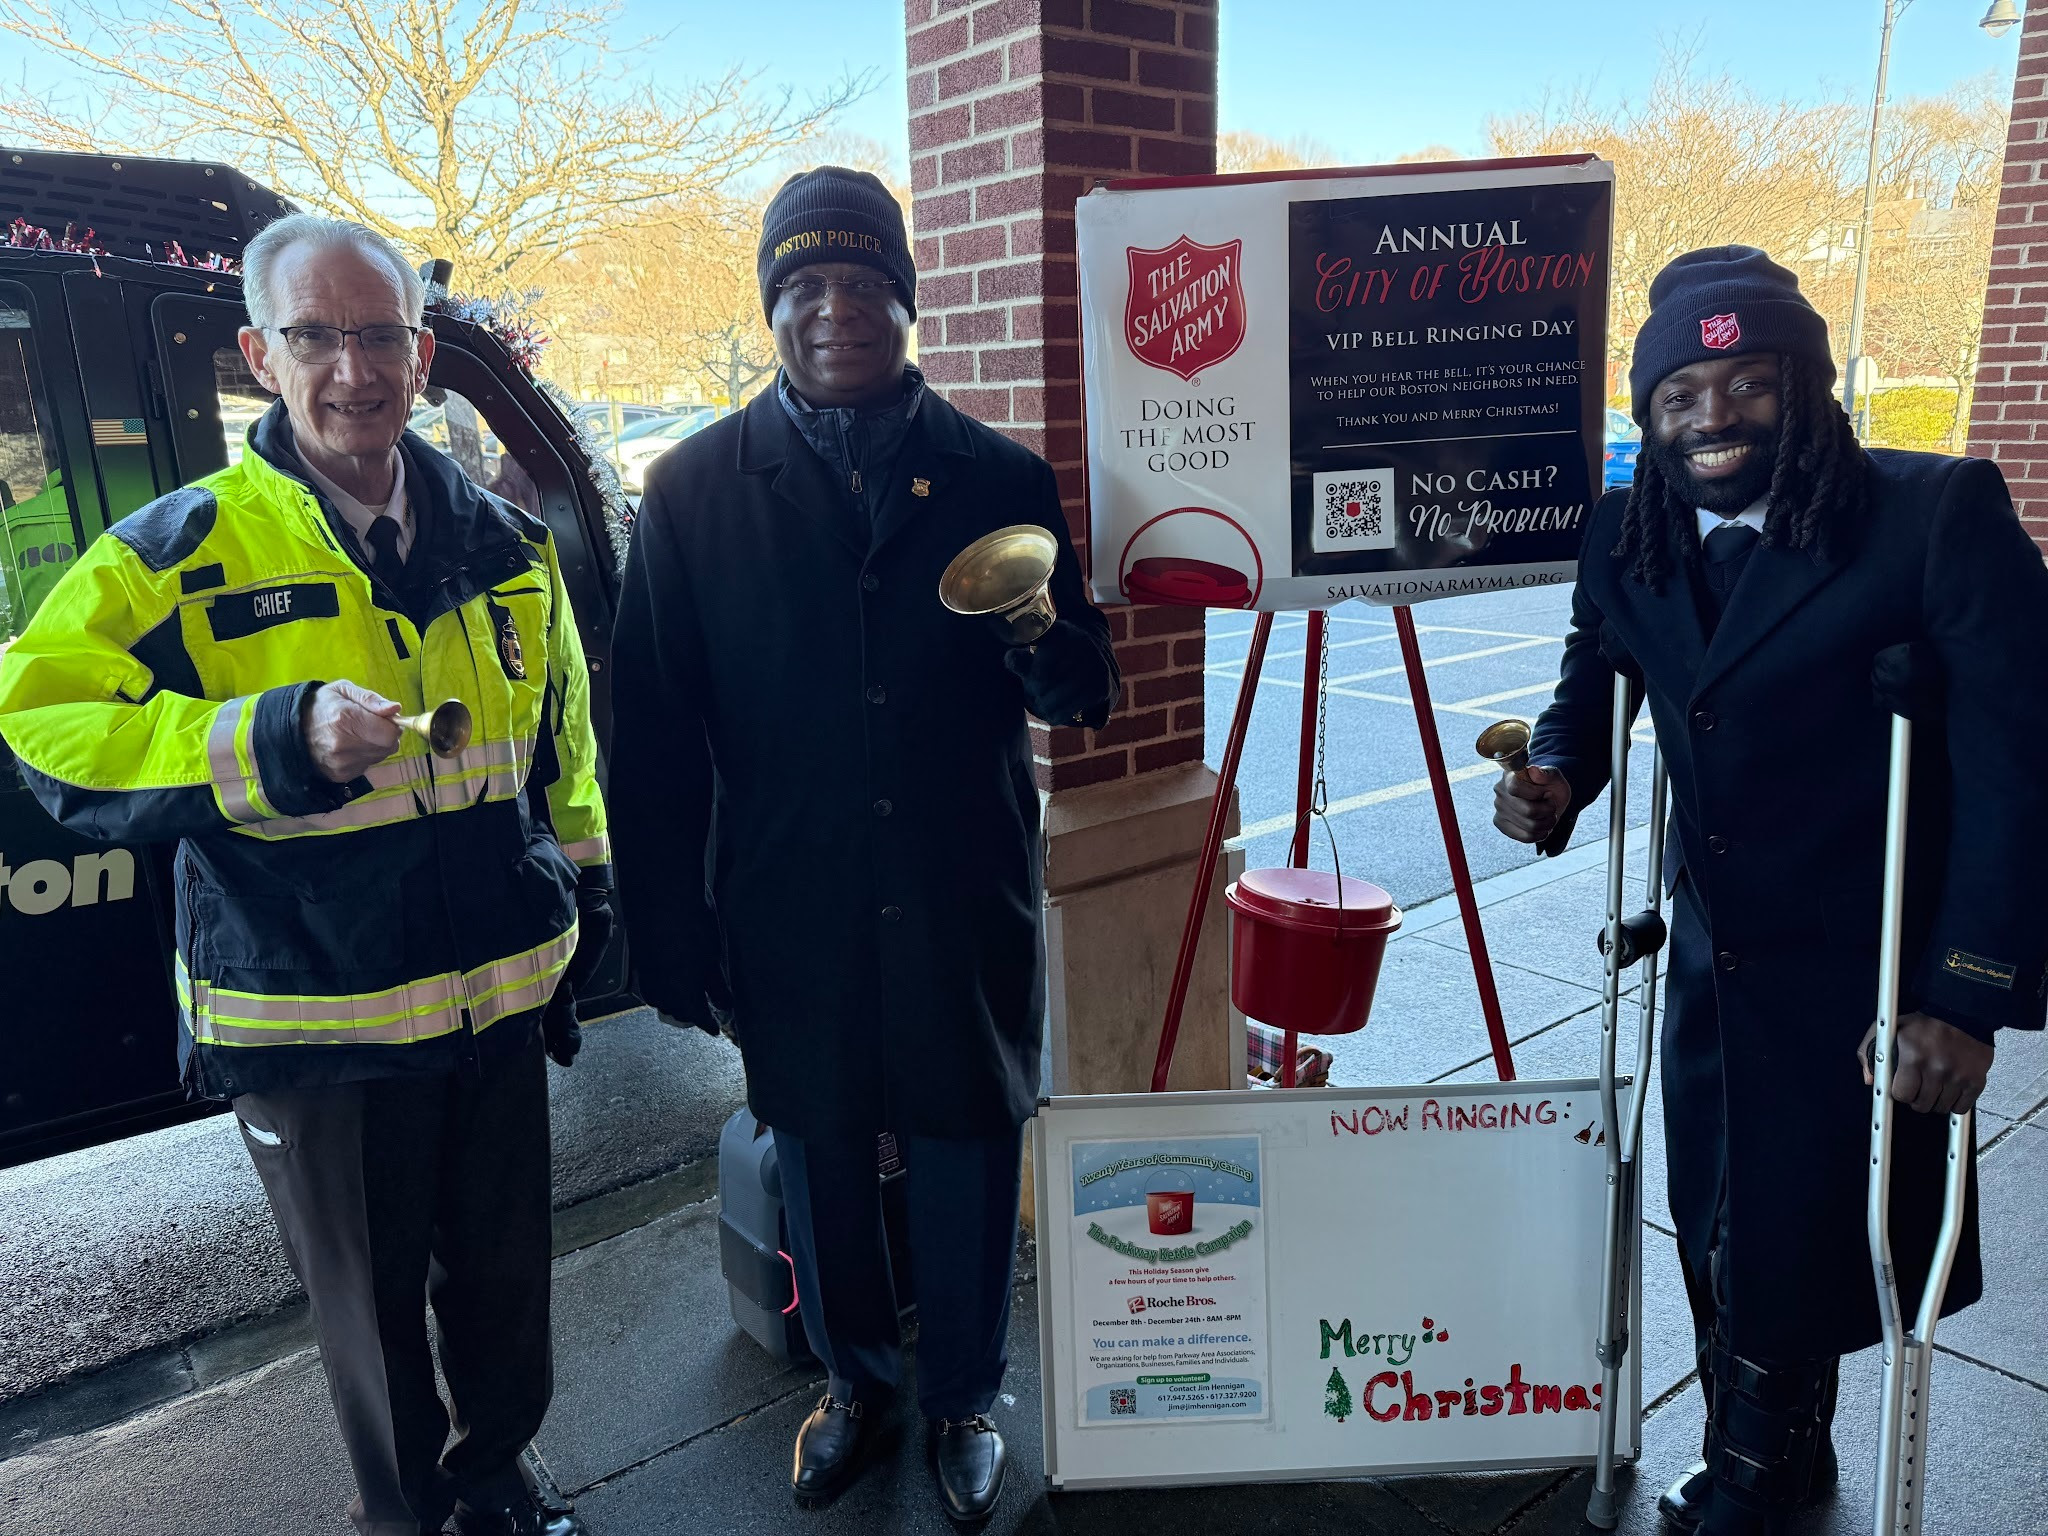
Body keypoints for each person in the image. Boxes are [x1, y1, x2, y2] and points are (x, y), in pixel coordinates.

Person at [0, 214, 612, 1536]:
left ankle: (497, 1483)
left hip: (495, 1004)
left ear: (423, 355)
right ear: (257, 355)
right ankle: (407, 1516)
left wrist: (584, 886)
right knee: (373, 1321)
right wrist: (269, 739)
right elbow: (41, 721)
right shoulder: (176, 551)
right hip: (315, 1022)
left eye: (380, 335)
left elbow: (560, 741)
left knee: (506, 1286)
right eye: (315, 336)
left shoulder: (508, 545)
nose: (353, 368)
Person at [1493, 246, 2048, 1535]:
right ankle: (1769, 1450)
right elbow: (1596, 674)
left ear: (1807, 386)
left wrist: (1967, 997)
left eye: (1750, 382)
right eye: (1681, 394)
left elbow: (2022, 769)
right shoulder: (1627, 532)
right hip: (1717, 940)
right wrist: (1558, 774)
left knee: (1811, 1216)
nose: (1715, 417)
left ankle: (1760, 1467)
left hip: (1870, 950)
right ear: (1651, 412)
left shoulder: (1933, 514)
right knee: (1714, 1205)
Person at [608, 166, 1119, 1526]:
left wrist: (1047, 645)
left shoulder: (1002, 476)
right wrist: (666, 928)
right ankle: (857, 1383)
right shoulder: (693, 489)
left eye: (862, 282)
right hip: (789, 893)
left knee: (966, 1138)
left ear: (906, 301)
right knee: (822, 1144)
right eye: (805, 285)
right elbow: (648, 730)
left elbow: (1083, 690)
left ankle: (963, 1397)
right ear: (772, 308)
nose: (834, 308)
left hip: (959, 887)